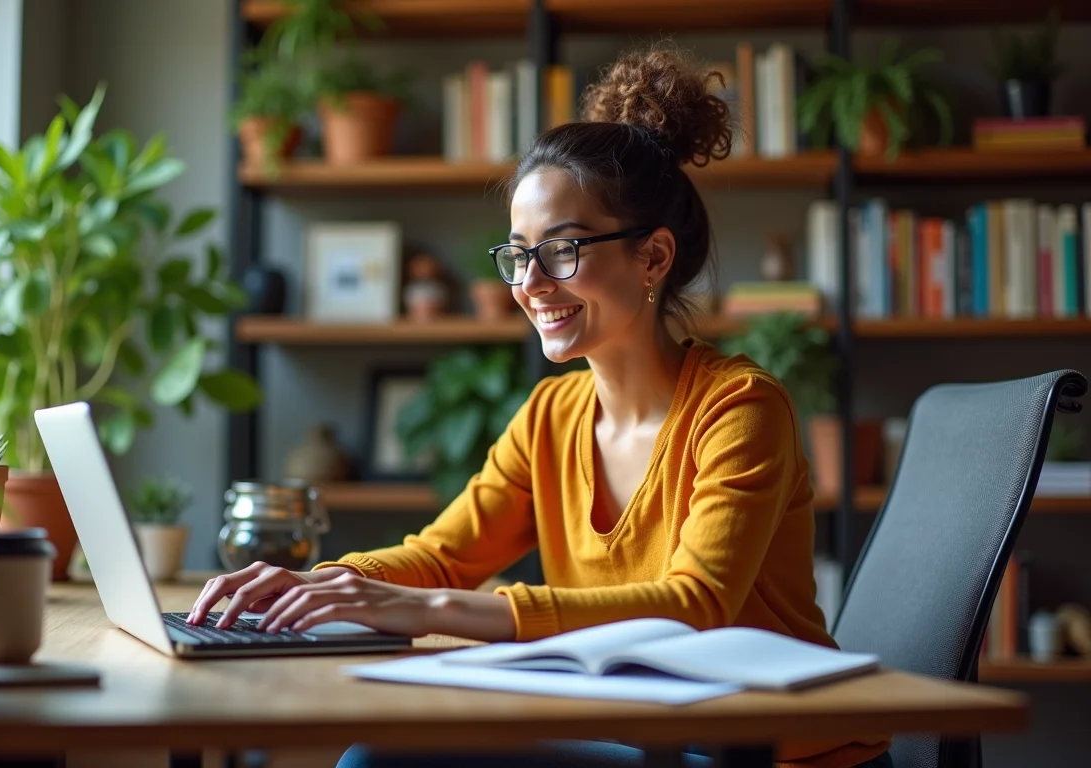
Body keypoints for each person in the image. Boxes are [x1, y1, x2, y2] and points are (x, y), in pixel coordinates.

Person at [190, 44, 893, 768]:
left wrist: (431, 612)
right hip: (647, 736)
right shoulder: (552, 416)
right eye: (519, 254)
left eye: (561, 250)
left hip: (780, 756)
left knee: (380, 759)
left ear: (653, 258)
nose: (530, 283)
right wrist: (322, 585)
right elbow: (443, 556)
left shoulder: (741, 408)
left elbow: (694, 606)